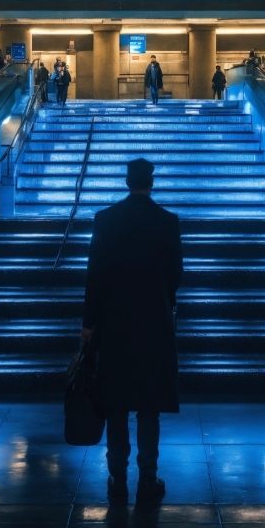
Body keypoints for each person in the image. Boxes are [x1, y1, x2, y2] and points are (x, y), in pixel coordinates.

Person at [81, 158, 183, 504]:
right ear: (150, 182)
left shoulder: (106, 220)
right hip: (154, 321)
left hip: (114, 323)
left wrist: (88, 323)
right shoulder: (167, 222)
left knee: (117, 403)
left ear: (127, 182)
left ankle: (117, 476)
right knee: (149, 405)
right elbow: (176, 275)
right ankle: (148, 477)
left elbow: (94, 276)